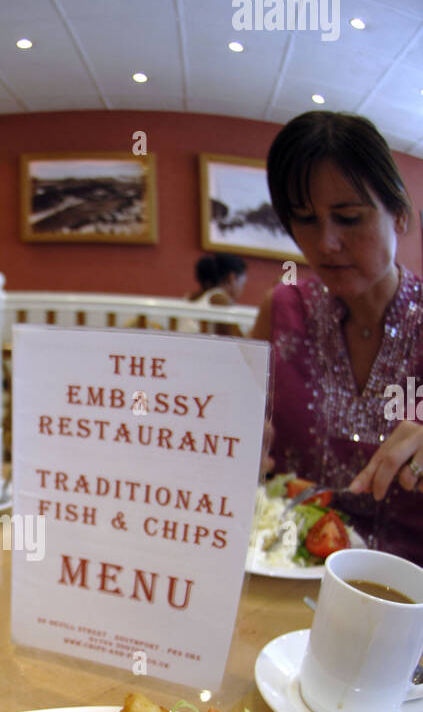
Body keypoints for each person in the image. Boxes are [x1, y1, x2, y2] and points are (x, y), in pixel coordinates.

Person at [252, 111, 423, 564]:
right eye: (305, 220)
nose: (326, 243)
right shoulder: (282, 310)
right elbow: (240, 439)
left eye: (348, 218)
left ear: (399, 215)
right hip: (286, 565)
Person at [177, 253, 247, 334]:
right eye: (242, 283)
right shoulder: (220, 299)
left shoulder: (189, 296)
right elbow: (232, 340)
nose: (242, 289)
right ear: (232, 278)